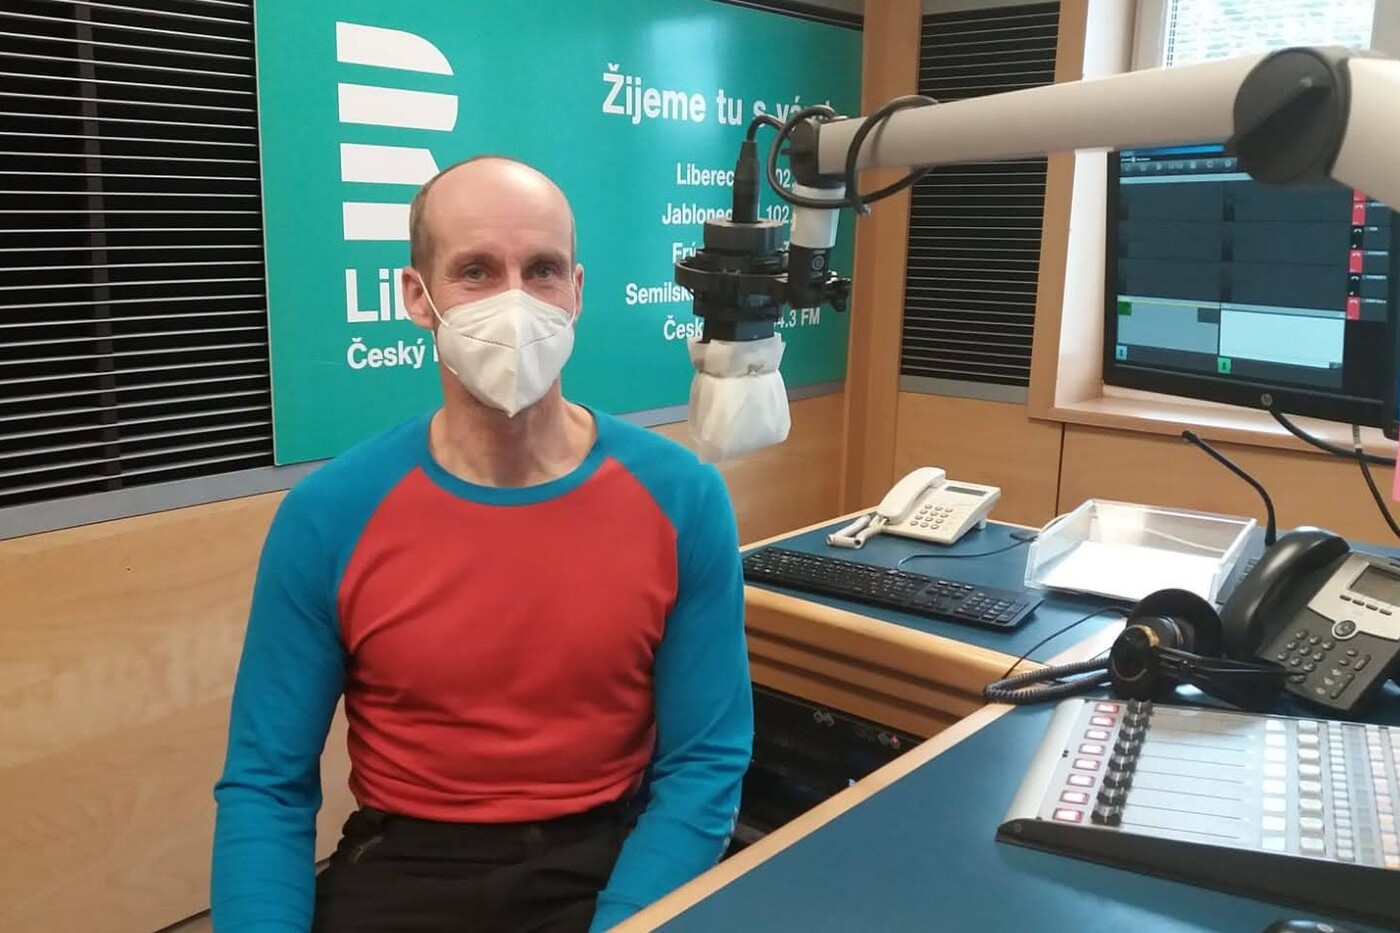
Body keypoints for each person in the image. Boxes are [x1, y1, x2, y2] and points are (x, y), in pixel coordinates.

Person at [211, 156, 754, 933]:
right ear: (417, 296)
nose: (514, 301)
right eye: (475, 271)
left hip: (608, 859)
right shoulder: (328, 515)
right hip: (409, 869)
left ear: (576, 292)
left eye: (542, 271)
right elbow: (266, 784)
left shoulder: (681, 498)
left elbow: (705, 761)